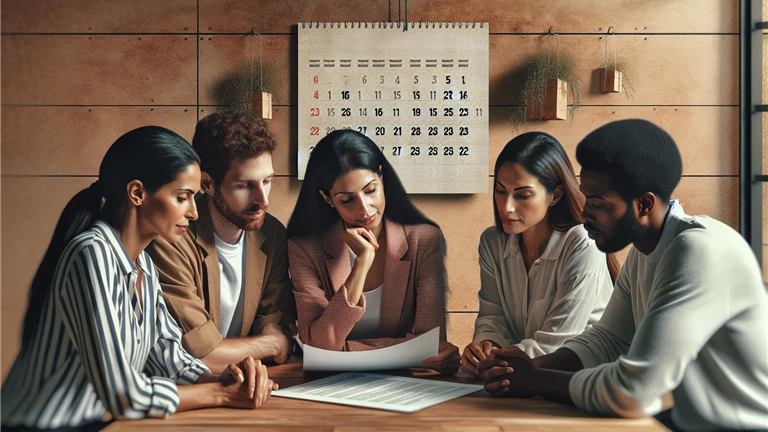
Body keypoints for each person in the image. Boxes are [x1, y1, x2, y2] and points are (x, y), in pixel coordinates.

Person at [479, 119, 768, 431]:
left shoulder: (699, 250)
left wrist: (537, 380)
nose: (585, 213)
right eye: (586, 197)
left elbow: (635, 392)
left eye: (599, 203)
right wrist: (527, 366)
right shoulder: (644, 252)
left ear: (643, 204)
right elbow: (609, 339)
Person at [0, 126, 276, 431]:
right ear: (137, 193)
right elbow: (123, 396)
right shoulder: (92, 254)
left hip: (94, 424)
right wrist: (219, 395)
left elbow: (168, 356)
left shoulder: (142, 262)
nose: (194, 212)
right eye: (182, 197)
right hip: (40, 426)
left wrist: (223, 379)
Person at [286, 130, 460, 375]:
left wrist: (344, 351)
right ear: (328, 199)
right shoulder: (304, 248)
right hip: (324, 386)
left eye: (370, 191)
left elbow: (431, 346)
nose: (364, 209)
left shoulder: (424, 240)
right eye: (347, 200)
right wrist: (362, 263)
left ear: (382, 177)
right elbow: (319, 346)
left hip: (407, 383)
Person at [147, 112, 295, 374]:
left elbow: (278, 331)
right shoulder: (171, 238)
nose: (263, 200)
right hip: (178, 391)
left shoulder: (271, 234)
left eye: (267, 181)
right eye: (244, 185)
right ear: (207, 183)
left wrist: (272, 342)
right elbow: (200, 354)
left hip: (243, 382)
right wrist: (270, 344)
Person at [460, 132, 616, 378]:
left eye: (522, 195)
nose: (506, 206)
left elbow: (558, 341)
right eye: (500, 190)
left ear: (555, 195)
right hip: (523, 377)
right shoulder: (492, 242)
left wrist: (496, 362)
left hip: (584, 380)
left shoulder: (582, 242)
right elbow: (492, 317)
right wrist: (486, 348)